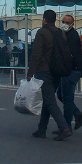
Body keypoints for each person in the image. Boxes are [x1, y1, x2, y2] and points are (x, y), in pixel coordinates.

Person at [27, 10, 71, 141]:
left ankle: (64, 128)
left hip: (44, 70)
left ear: (44, 19)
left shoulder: (41, 33)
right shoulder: (60, 33)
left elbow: (36, 54)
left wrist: (30, 73)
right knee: (48, 98)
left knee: (50, 101)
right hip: (57, 71)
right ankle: (42, 129)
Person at [57, 14, 82, 131]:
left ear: (72, 25)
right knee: (61, 95)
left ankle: (66, 127)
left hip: (72, 70)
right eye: (63, 21)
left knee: (67, 99)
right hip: (67, 70)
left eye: (67, 23)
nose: (64, 24)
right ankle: (77, 113)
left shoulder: (72, 36)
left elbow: (70, 55)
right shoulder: (65, 34)